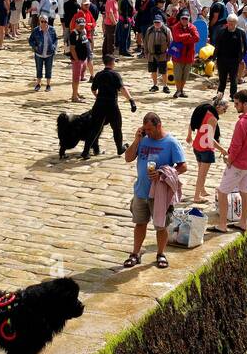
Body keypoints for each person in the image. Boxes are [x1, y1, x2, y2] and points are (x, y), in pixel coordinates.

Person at [122, 112, 187, 270]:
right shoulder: (143, 140)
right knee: (140, 223)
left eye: (150, 129)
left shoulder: (171, 143)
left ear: (159, 126)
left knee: (161, 225)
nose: (148, 132)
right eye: (146, 129)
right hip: (141, 191)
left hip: (160, 193)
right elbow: (128, 158)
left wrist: (162, 173)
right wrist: (137, 140)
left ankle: (160, 253)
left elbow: (183, 166)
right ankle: (135, 253)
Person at [213, 90, 247, 234]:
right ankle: (243, 222)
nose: (234, 106)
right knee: (244, 191)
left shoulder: (242, 123)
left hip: (238, 165)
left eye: (237, 104)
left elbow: (235, 146)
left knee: (222, 193)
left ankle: (222, 225)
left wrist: (229, 160)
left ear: (245, 104)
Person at [83, 54, 136, 159]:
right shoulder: (115, 75)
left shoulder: (98, 74)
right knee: (117, 128)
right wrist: (131, 100)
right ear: (112, 63)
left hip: (99, 105)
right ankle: (119, 148)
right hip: (112, 105)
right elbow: (122, 89)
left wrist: (98, 97)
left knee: (95, 128)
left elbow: (93, 89)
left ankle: (86, 151)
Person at [187, 96, 227, 203]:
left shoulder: (204, 113)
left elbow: (192, 122)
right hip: (206, 150)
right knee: (202, 174)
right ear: (218, 107)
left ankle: (202, 190)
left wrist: (189, 135)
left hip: (196, 146)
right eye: (224, 108)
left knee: (201, 172)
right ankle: (196, 196)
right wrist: (222, 149)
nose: (225, 111)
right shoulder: (213, 119)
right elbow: (210, 139)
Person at [213, 14, 247, 96]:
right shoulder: (221, 31)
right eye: (229, 22)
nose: (231, 24)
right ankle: (219, 95)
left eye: (233, 22)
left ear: (236, 23)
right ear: (227, 22)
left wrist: (241, 58)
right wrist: (215, 57)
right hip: (222, 59)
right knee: (222, 79)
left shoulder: (240, 32)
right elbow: (217, 45)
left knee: (233, 78)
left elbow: (245, 47)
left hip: (234, 60)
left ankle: (233, 95)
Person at [171, 11, 199, 99]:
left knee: (185, 75)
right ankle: (178, 90)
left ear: (189, 19)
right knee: (177, 74)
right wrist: (188, 35)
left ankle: (181, 90)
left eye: (186, 19)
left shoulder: (192, 27)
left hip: (189, 54)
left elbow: (197, 38)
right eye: (183, 18)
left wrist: (184, 39)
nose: (184, 20)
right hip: (178, 53)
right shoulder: (176, 27)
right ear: (180, 19)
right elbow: (177, 37)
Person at [29, 13, 58, 92]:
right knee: (39, 69)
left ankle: (48, 85)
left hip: (49, 53)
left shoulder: (52, 30)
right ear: (39, 22)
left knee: (49, 69)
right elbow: (31, 40)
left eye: (45, 22)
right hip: (39, 53)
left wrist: (54, 47)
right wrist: (35, 47)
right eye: (42, 21)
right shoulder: (36, 30)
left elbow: (55, 39)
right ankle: (38, 83)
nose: (44, 23)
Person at [68, 17, 92, 104]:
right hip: (77, 60)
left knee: (79, 78)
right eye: (80, 25)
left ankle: (76, 92)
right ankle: (74, 96)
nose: (81, 27)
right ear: (76, 25)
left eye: (83, 25)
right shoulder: (74, 34)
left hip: (83, 58)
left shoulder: (83, 31)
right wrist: (77, 59)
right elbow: (72, 48)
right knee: (76, 79)